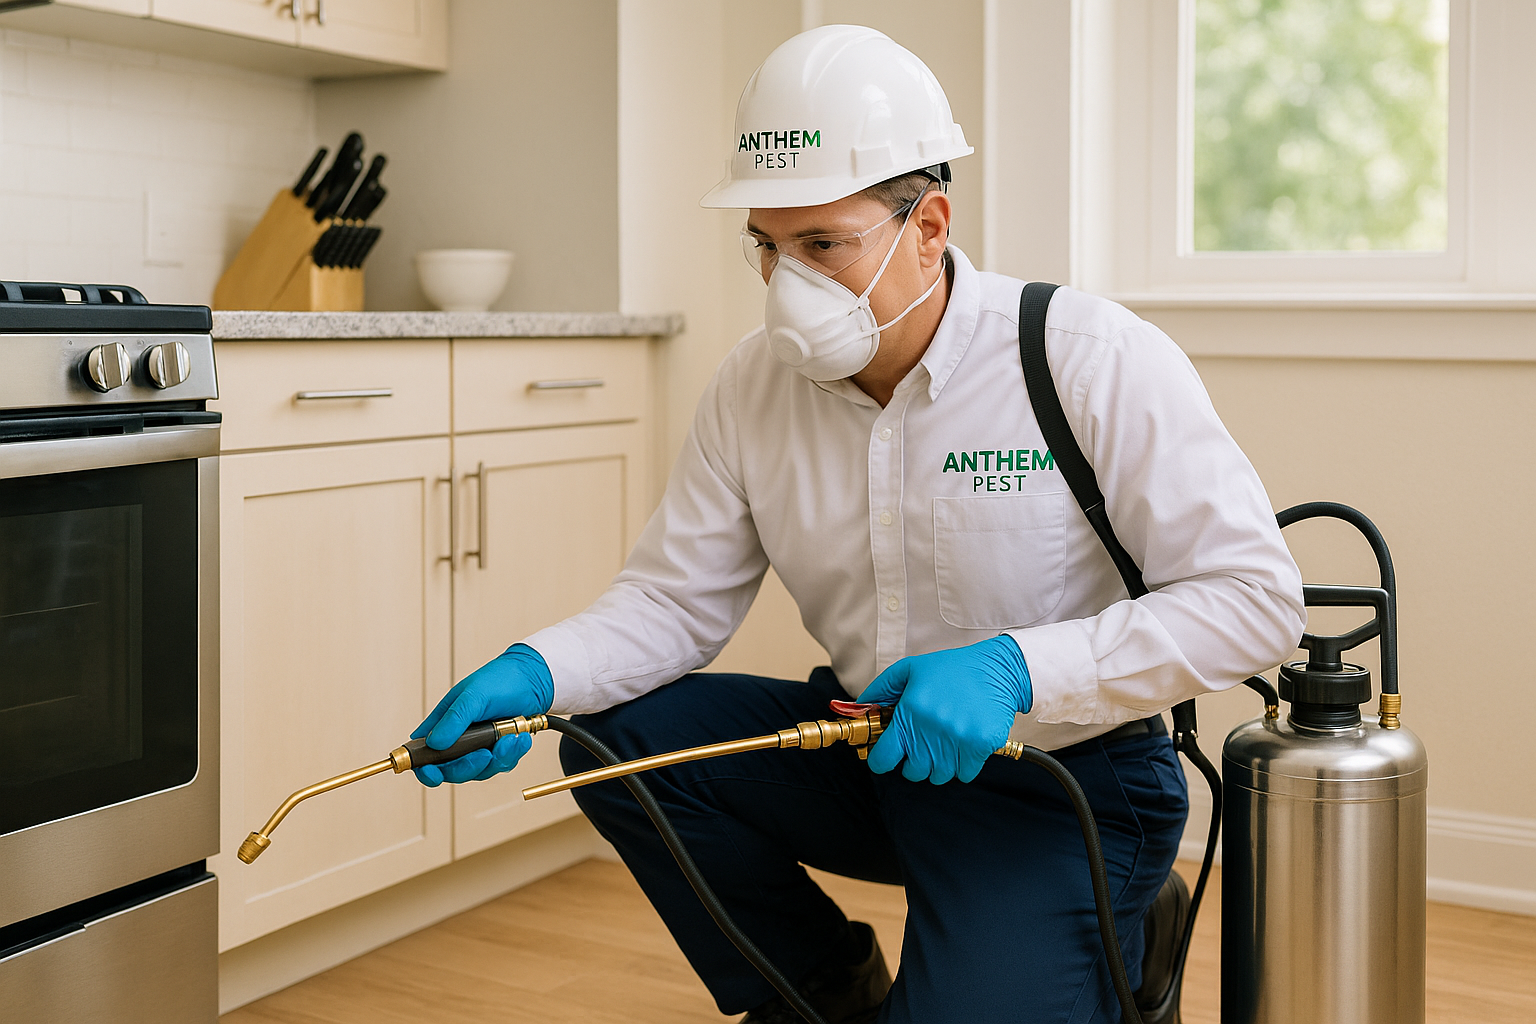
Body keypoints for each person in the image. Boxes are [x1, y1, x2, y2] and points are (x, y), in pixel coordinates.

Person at [410, 24, 1305, 1024]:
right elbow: (672, 603)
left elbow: (1256, 600)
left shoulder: (1085, 358)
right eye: (767, 246)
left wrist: (1017, 669)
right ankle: (823, 991)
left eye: (823, 246)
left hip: (1058, 778)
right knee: (612, 737)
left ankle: (1118, 919)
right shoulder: (751, 389)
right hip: (867, 747)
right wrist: (539, 671)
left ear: (930, 226)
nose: (786, 282)